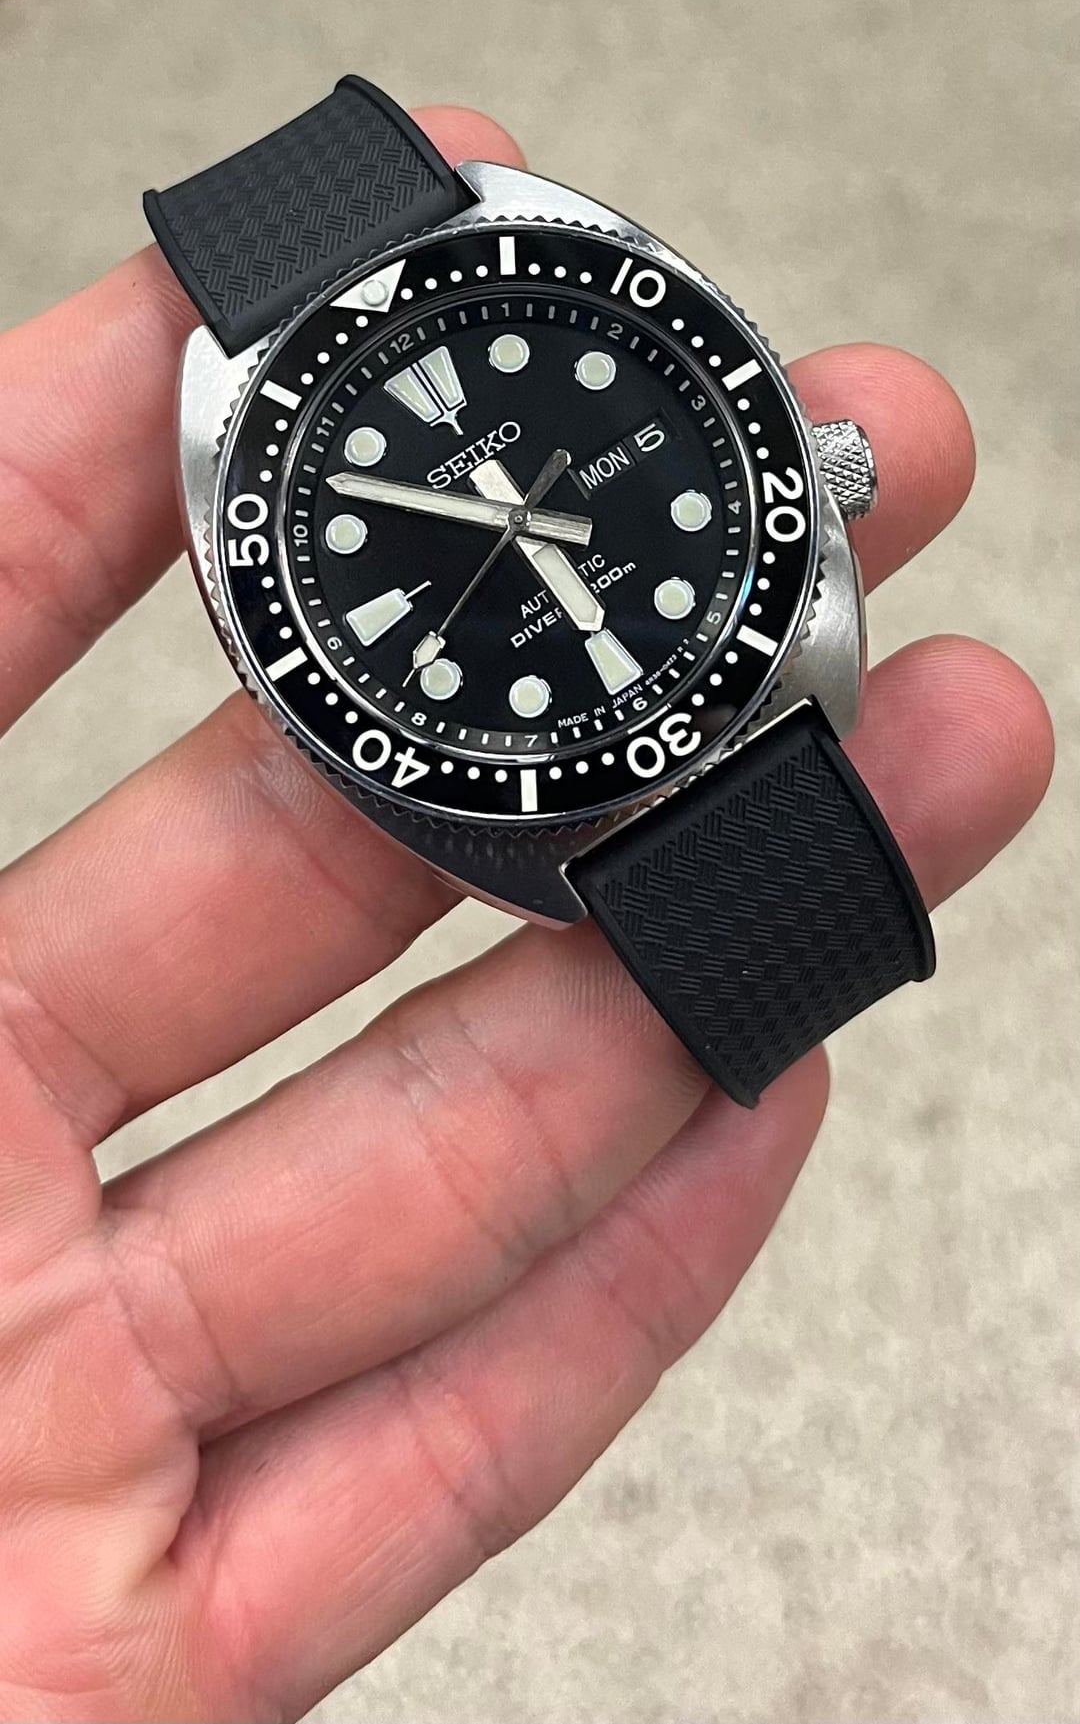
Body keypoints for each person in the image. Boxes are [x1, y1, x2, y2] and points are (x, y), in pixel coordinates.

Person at [0, 109, 1054, 1722]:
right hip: (589, 808)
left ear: (811, 472)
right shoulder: (256, 429)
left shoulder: (487, 267)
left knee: (942, 760)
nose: (509, 522)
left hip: (726, 708)